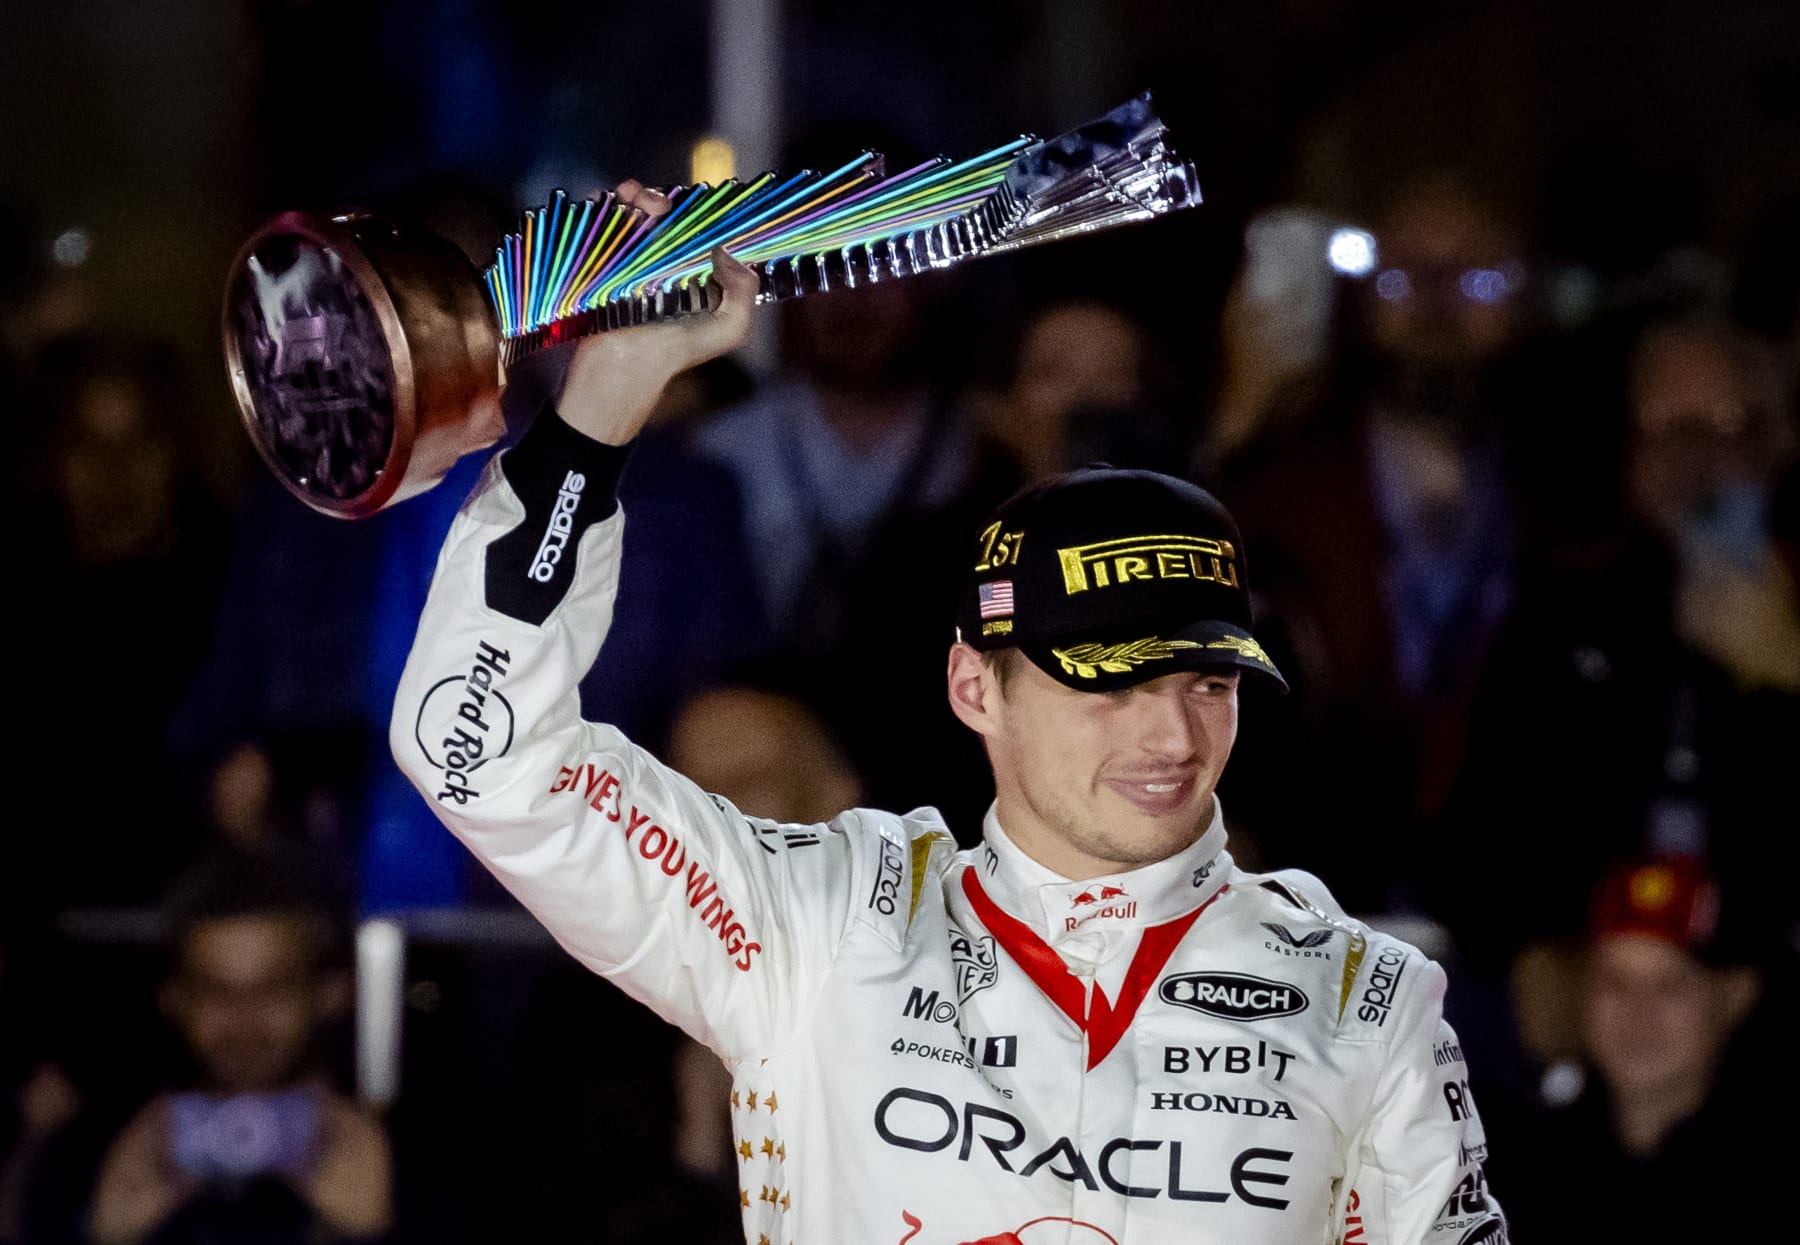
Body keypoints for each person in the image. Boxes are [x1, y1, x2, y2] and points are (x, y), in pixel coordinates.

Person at [389, 181, 1505, 1243]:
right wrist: (603, 403)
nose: (1171, 738)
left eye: (1206, 684)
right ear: (978, 687)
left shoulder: (1362, 1000)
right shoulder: (824, 930)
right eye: (1110, 682)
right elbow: (477, 749)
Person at [84, 851, 389, 1245]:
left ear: (330, 994)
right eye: (215, 990)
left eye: (273, 987)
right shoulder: (99, 1156)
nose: (244, 1020)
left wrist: (383, 1231)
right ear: (173, 998)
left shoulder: (423, 1165)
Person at [1489, 854, 1779, 1242]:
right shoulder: (1509, 1174)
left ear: (1734, 995)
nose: (1639, 1014)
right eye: (1616, 982)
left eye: (1670, 985)